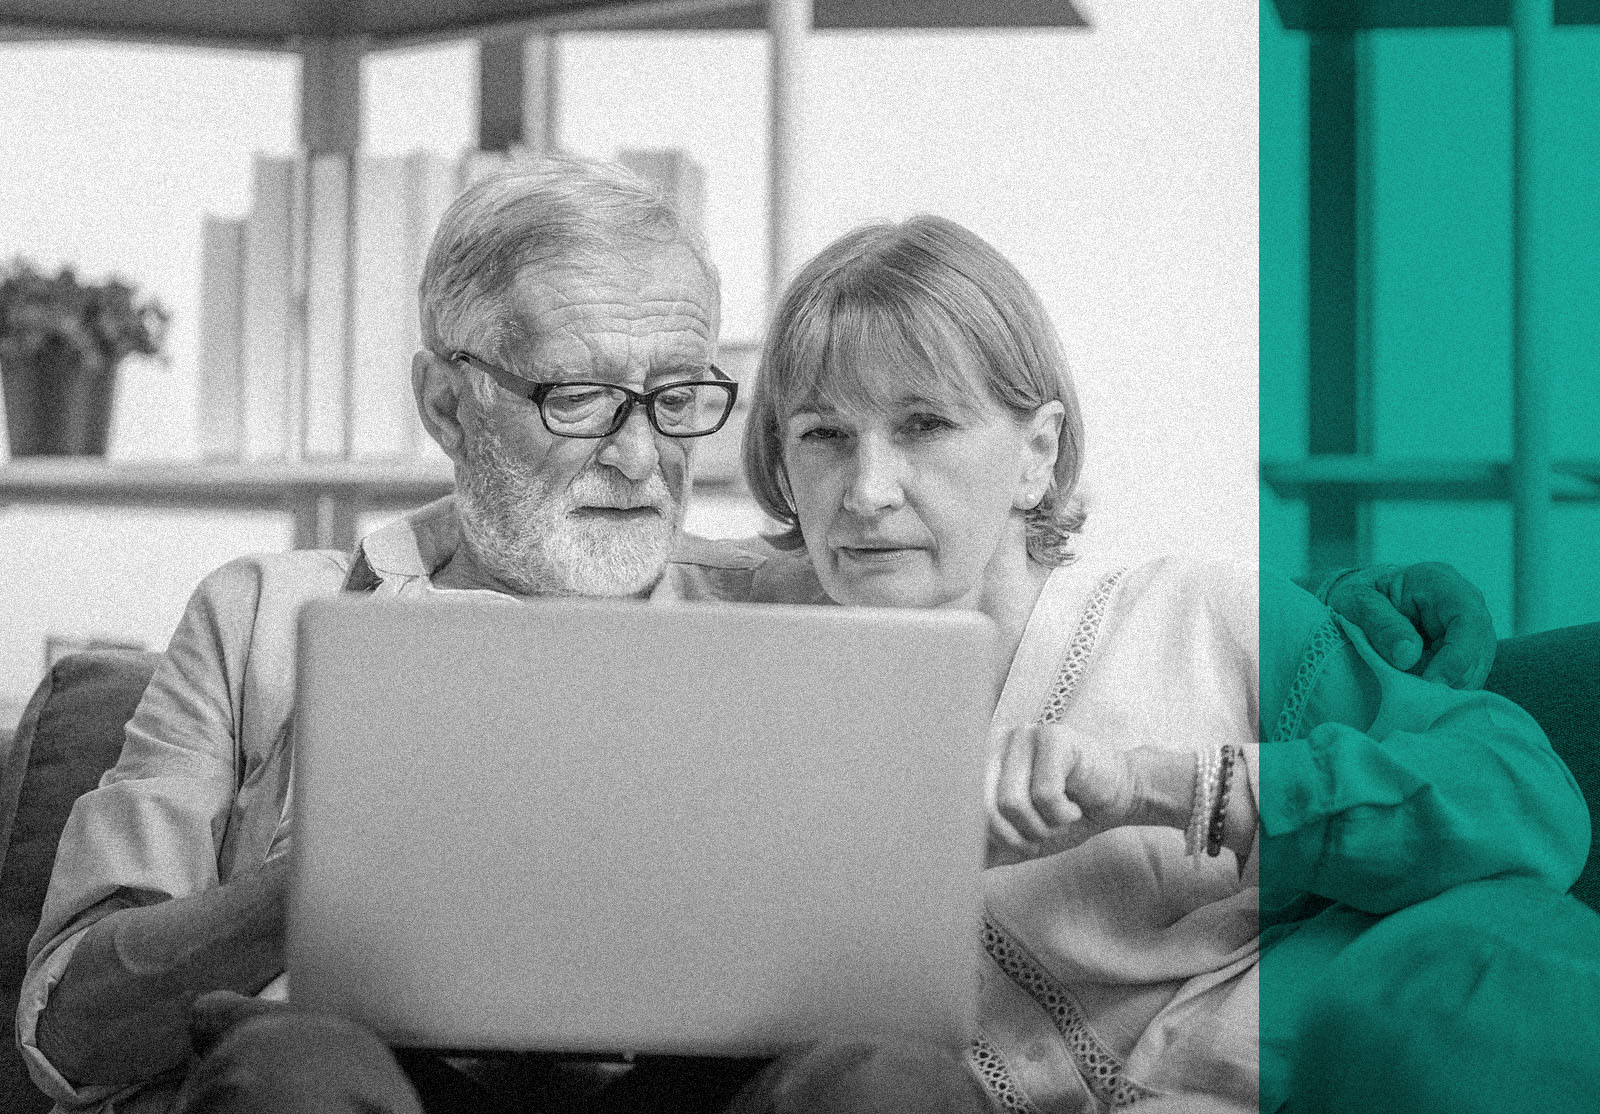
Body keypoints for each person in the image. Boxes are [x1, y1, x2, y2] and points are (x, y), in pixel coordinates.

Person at [14, 160, 1505, 1114]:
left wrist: (1373, 630)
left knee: (895, 1084)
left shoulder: (809, 612)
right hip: (365, 1069)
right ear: (444, 399)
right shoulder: (263, 615)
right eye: (577, 395)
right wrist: (315, 884)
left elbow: (1022, 593)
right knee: (290, 1074)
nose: (639, 454)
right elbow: (66, 1025)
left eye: (679, 397)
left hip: (711, 1088)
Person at [736, 213, 1595, 1112]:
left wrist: (1158, 787)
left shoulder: (1203, 619)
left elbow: (1525, 801)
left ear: (1037, 454)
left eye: (923, 425)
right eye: (823, 435)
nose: (867, 492)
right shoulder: (767, 701)